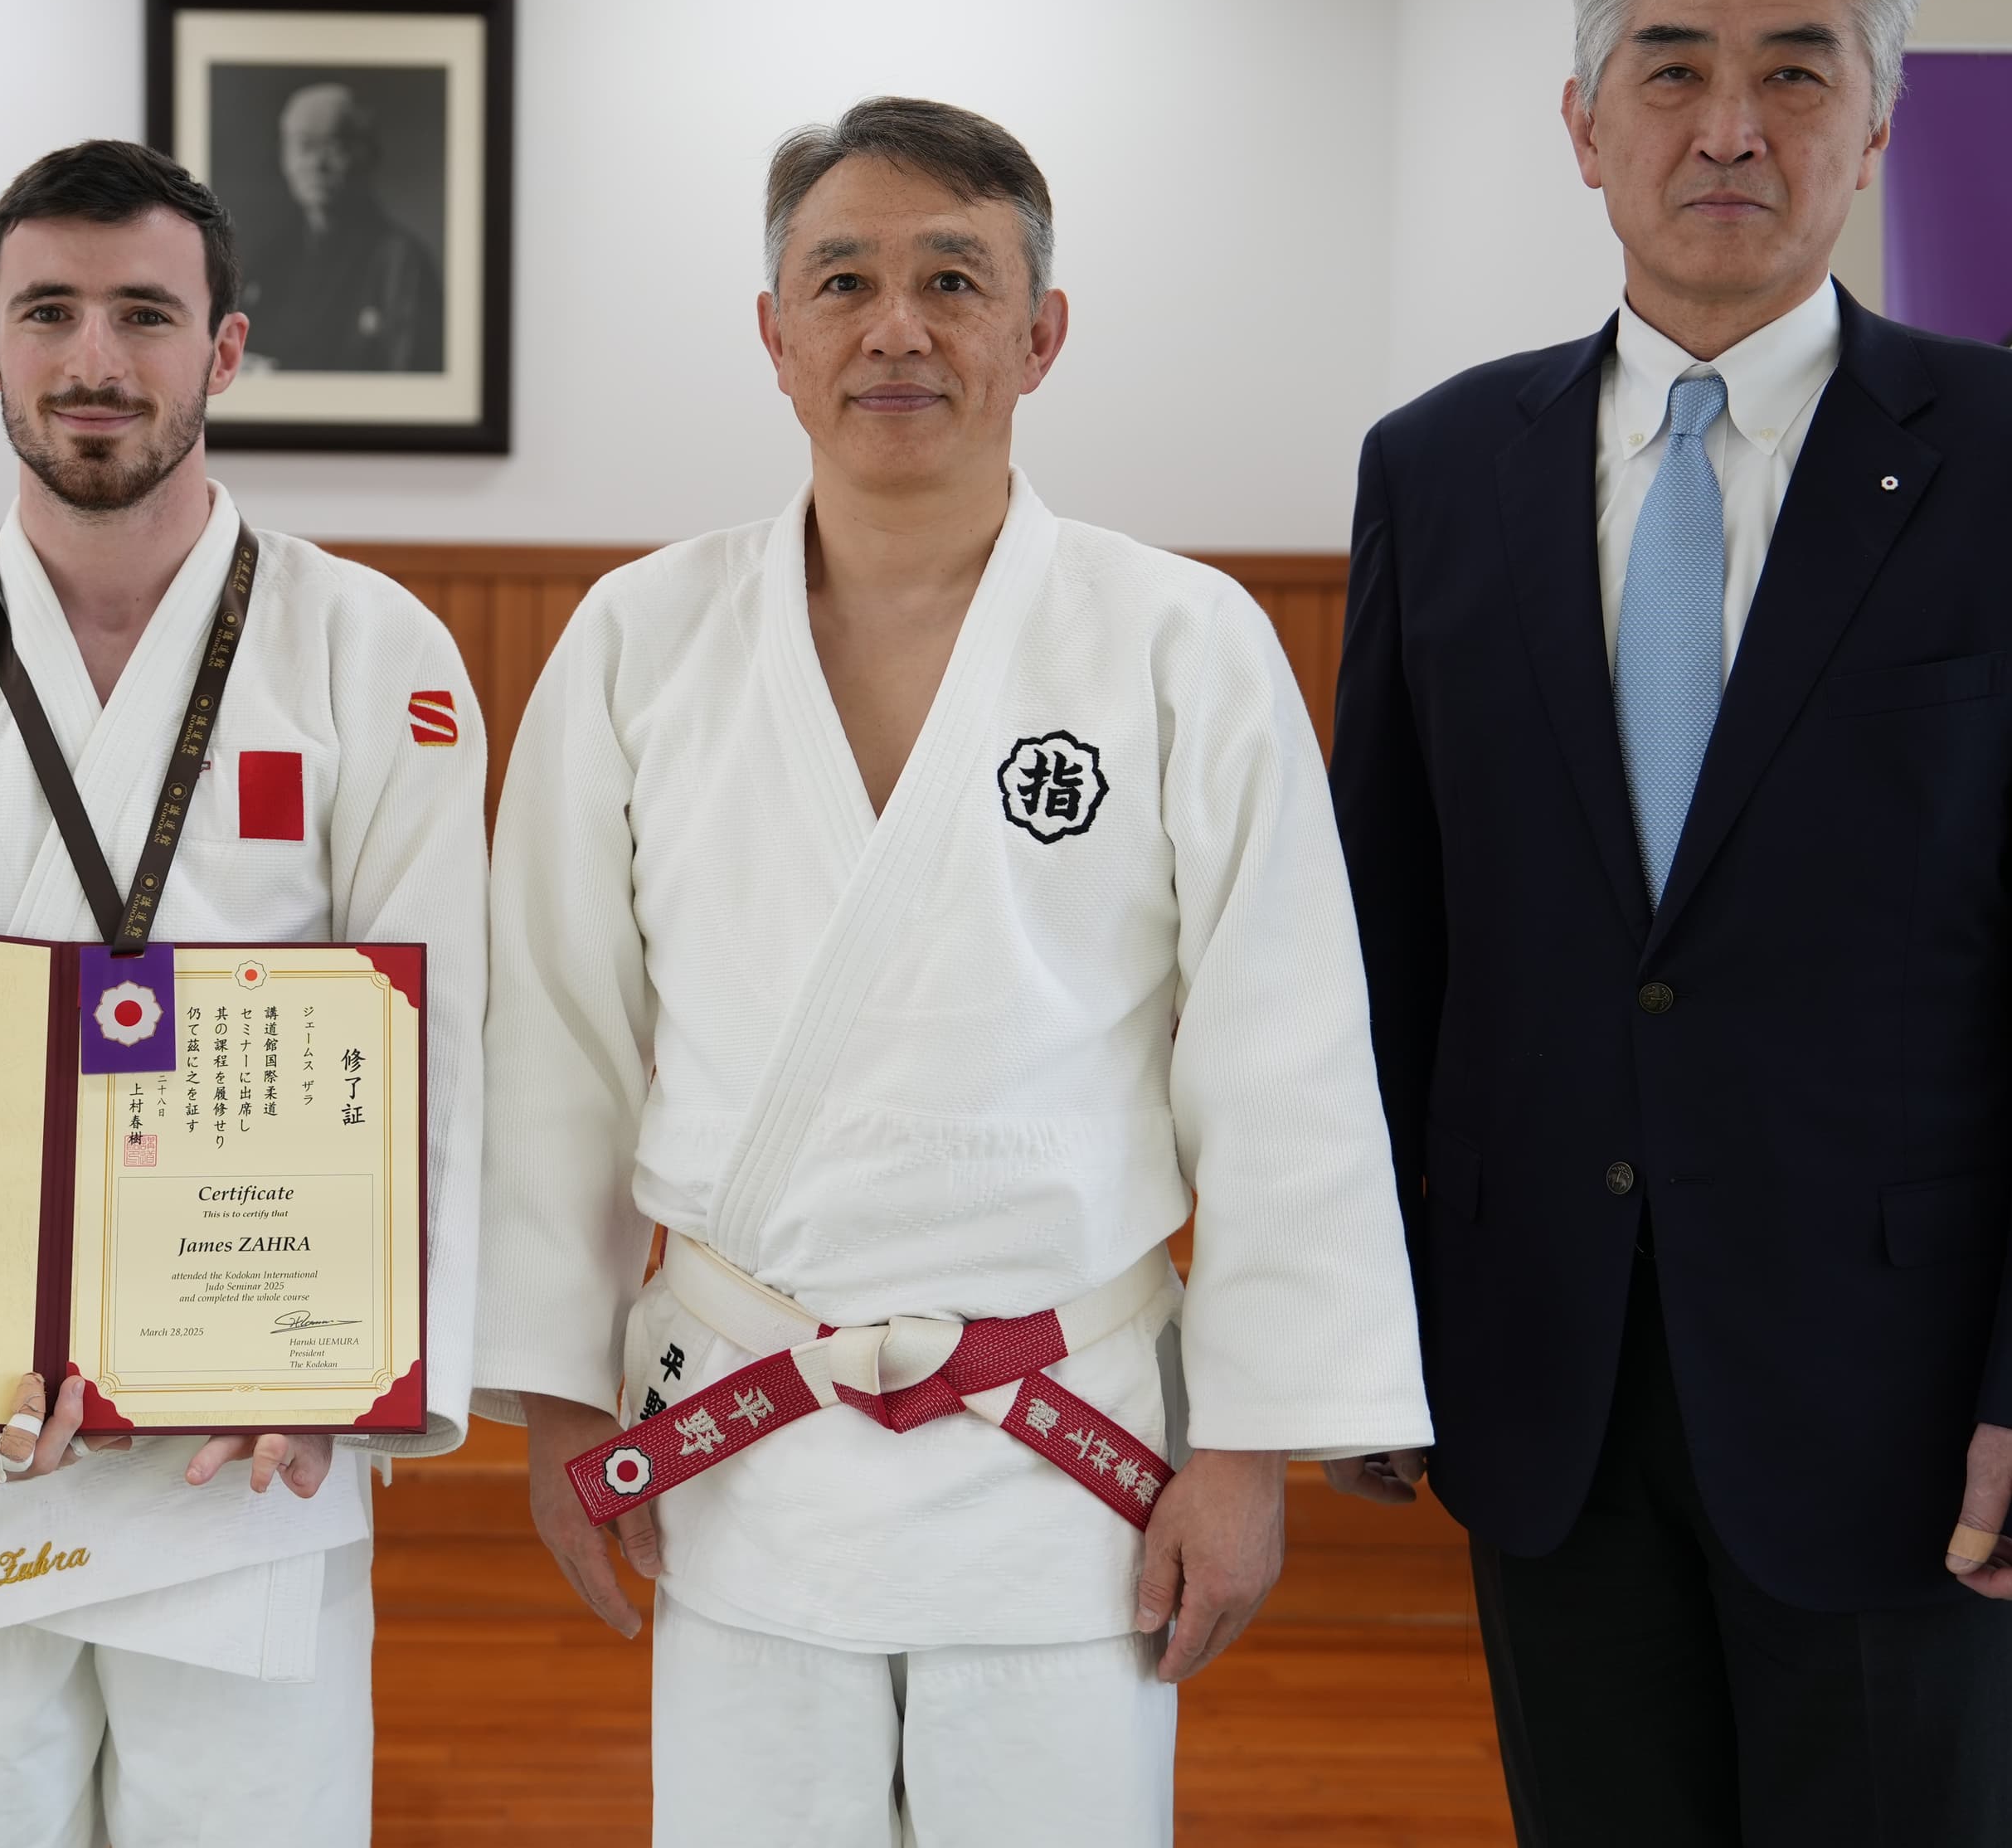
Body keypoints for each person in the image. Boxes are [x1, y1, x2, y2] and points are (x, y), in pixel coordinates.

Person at [475, 97, 1430, 1846]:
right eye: (841, 279)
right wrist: (554, 1396)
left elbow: (1284, 1059)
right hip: (746, 1424)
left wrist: (1252, 1446)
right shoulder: (638, 638)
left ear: (1040, 332)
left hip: (1067, 1440)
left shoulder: (1180, 639)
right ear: (775, 333)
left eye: (953, 280)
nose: (895, 327)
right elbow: (557, 1041)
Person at [1328, 0, 2012, 1846]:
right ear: (1581, 122)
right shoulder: (1436, 471)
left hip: (1908, 1403)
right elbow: (1379, 945)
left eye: (1794, 68)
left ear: (1872, 126)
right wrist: (1346, 1322)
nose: (1726, 123)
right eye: (1670, 66)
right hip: (1547, 1383)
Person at [0, 139, 485, 1846]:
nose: (94, 358)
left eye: (145, 312)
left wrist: (343, 1362)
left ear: (224, 348)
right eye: (49, 312)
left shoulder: (376, 656)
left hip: (250, 1446)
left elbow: (441, 1051)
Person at [236, 82, 445, 373]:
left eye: (334, 146)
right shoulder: (269, 259)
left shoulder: (401, 263)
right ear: (285, 159)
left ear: (368, 155)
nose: (316, 164)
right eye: (304, 146)